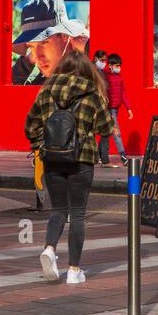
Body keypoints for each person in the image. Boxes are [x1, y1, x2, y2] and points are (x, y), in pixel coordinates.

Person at [25, 50, 115, 286]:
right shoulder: (92, 94)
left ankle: (49, 248)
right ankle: (74, 270)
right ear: (87, 69)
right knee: (77, 214)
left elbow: (30, 126)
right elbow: (106, 129)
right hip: (81, 159)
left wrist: (40, 146)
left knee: (57, 210)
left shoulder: (46, 92)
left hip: (52, 159)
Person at [12, 0, 88, 79]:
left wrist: (89, 46)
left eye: (43, 42)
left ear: (65, 35)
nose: (37, 57)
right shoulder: (41, 78)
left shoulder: (88, 73)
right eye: (31, 46)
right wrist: (27, 61)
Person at [104, 53, 132, 165]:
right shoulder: (105, 76)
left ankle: (102, 156)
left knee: (105, 132)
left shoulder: (119, 78)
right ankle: (123, 156)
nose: (118, 68)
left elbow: (123, 93)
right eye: (117, 65)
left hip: (116, 109)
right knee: (116, 132)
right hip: (109, 109)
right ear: (110, 65)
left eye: (119, 66)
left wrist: (128, 109)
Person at [92, 50, 112, 163]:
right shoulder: (91, 71)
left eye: (105, 60)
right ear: (96, 59)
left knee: (105, 131)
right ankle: (99, 157)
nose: (104, 63)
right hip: (94, 105)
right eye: (102, 60)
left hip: (103, 105)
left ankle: (103, 157)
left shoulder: (102, 72)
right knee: (93, 132)